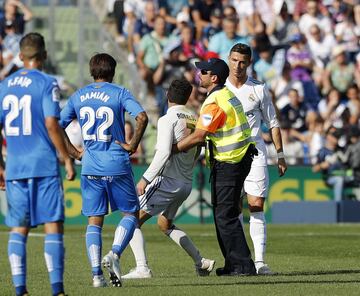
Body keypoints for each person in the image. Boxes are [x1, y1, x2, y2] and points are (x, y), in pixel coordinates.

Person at [59, 53, 148, 288]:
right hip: (117, 163)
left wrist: (74, 152)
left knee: (94, 222)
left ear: (92, 72)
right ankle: (115, 253)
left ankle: (97, 275)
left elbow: (57, 125)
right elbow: (142, 117)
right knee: (131, 214)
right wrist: (133, 145)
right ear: (113, 72)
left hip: (89, 166)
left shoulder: (79, 96)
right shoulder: (119, 92)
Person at [0, 32, 75, 296]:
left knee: (18, 227)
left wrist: (1, 163)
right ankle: (57, 290)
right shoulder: (47, 82)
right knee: (52, 223)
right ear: (44, 56)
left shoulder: (4, 85)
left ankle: (20, 289)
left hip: (15, 167)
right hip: (43, 165)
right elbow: (52, 124)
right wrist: (66, 158)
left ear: (20, 57)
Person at [122, 78, 215, 279]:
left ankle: (142, 268)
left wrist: (145, 179)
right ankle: (202, 262)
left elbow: (163, 152)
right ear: (187, 97)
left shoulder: (167, 119)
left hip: (167, 180)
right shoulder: (194, 118)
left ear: (167, 95)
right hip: (185, 183)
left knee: (131, 219)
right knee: (165, 225)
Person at [175, 58, 257, 276]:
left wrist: (173, 149)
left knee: (225, 215)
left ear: (214, 78)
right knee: (225, 213)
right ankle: (233, 264)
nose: (198, 74)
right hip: (237, 158)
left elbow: (200, 135)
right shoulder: (226, 95)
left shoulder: (215, 101)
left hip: (230, 160)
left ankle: (242, 266)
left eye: (203, 71)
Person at [225, 43, 287, 275]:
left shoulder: (259, 89)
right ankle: (241, 261)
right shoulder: (220, 90)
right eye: (234, 60)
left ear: (249, 63)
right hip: (228, 155)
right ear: (228, 60)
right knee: (233, 209)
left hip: (256, 153)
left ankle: (260, 262)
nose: (237, 66)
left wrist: (280, 154)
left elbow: (273, 123)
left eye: (242, 62)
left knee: (256, 205)